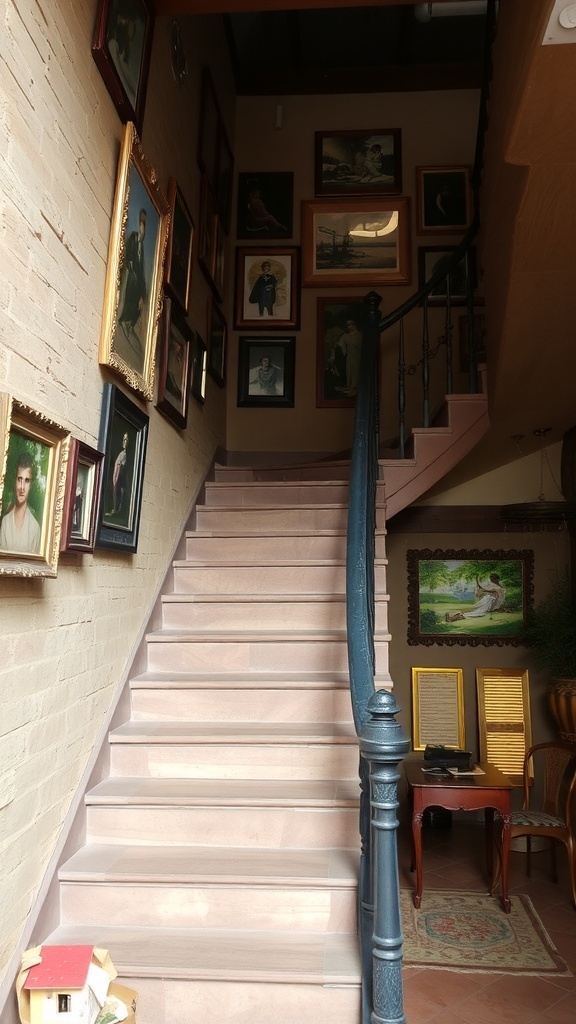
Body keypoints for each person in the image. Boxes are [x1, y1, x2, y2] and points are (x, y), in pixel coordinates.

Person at [0, 451, 41, 553]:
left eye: (27, 481)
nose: (22, 487)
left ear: (31, 485)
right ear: (14, 481)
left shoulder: (34, 528)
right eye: (19, 479)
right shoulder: (5, 522)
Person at [118, 208, 147, 346]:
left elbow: (141, 271)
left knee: (139, 305)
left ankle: (130, 325)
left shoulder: (142, 246)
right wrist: (132, 271)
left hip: (137, 281)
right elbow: (129, 255)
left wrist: (143, 295)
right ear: (139, 226)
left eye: (144, 228)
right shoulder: (133, 238)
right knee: (130, 301)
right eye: (141, 226)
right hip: (131, 278)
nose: (143, 230)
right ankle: (123, 321)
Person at [334, 318, 362, 395]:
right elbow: (340, 345)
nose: (349, 326)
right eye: (348, 325)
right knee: (349, 369)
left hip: (357, 355)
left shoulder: (360, 335)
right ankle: (350, 386)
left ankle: (355, 387)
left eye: (350, 324)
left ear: (355, 325)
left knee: (356, 370)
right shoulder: (346, 336)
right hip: (349, 355)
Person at [109, 432, 129, 517]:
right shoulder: (121, 453)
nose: (125, 442)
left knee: (118, 493)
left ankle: (117, 509)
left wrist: (118, 479)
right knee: (115, 493)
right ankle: (115, 508)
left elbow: (122, 467)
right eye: (124, 440)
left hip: (119, 477)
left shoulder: (124, 454)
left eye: (126, 440)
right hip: (116, 476)